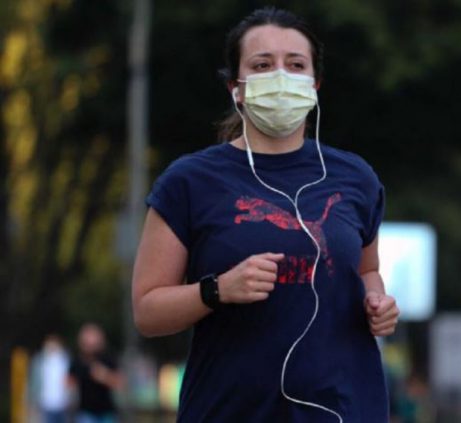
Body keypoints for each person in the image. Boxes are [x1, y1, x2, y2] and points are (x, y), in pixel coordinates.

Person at [131, 6, 399, 422]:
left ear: (315, 85)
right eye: (262, 64)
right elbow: (147, 311)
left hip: (344, 409)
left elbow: (366, 272)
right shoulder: (189, 181)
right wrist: (217, 289)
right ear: (236, 87)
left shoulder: (355, 177)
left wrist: (377, 303)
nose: (281, 77)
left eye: (295, 65)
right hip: (229, 410)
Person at [68, 323, 123, 423]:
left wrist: (104, 376)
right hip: (85, 412)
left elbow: (119, 383)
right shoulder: (77, 361)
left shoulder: (107, 358)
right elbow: (68, 381)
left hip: (106, 412)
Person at [31, 334, 71, 423]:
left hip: (64, 403)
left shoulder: (66, 360)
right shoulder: (39, 361)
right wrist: (33, 400)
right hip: (45, 403)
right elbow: (33, 382)